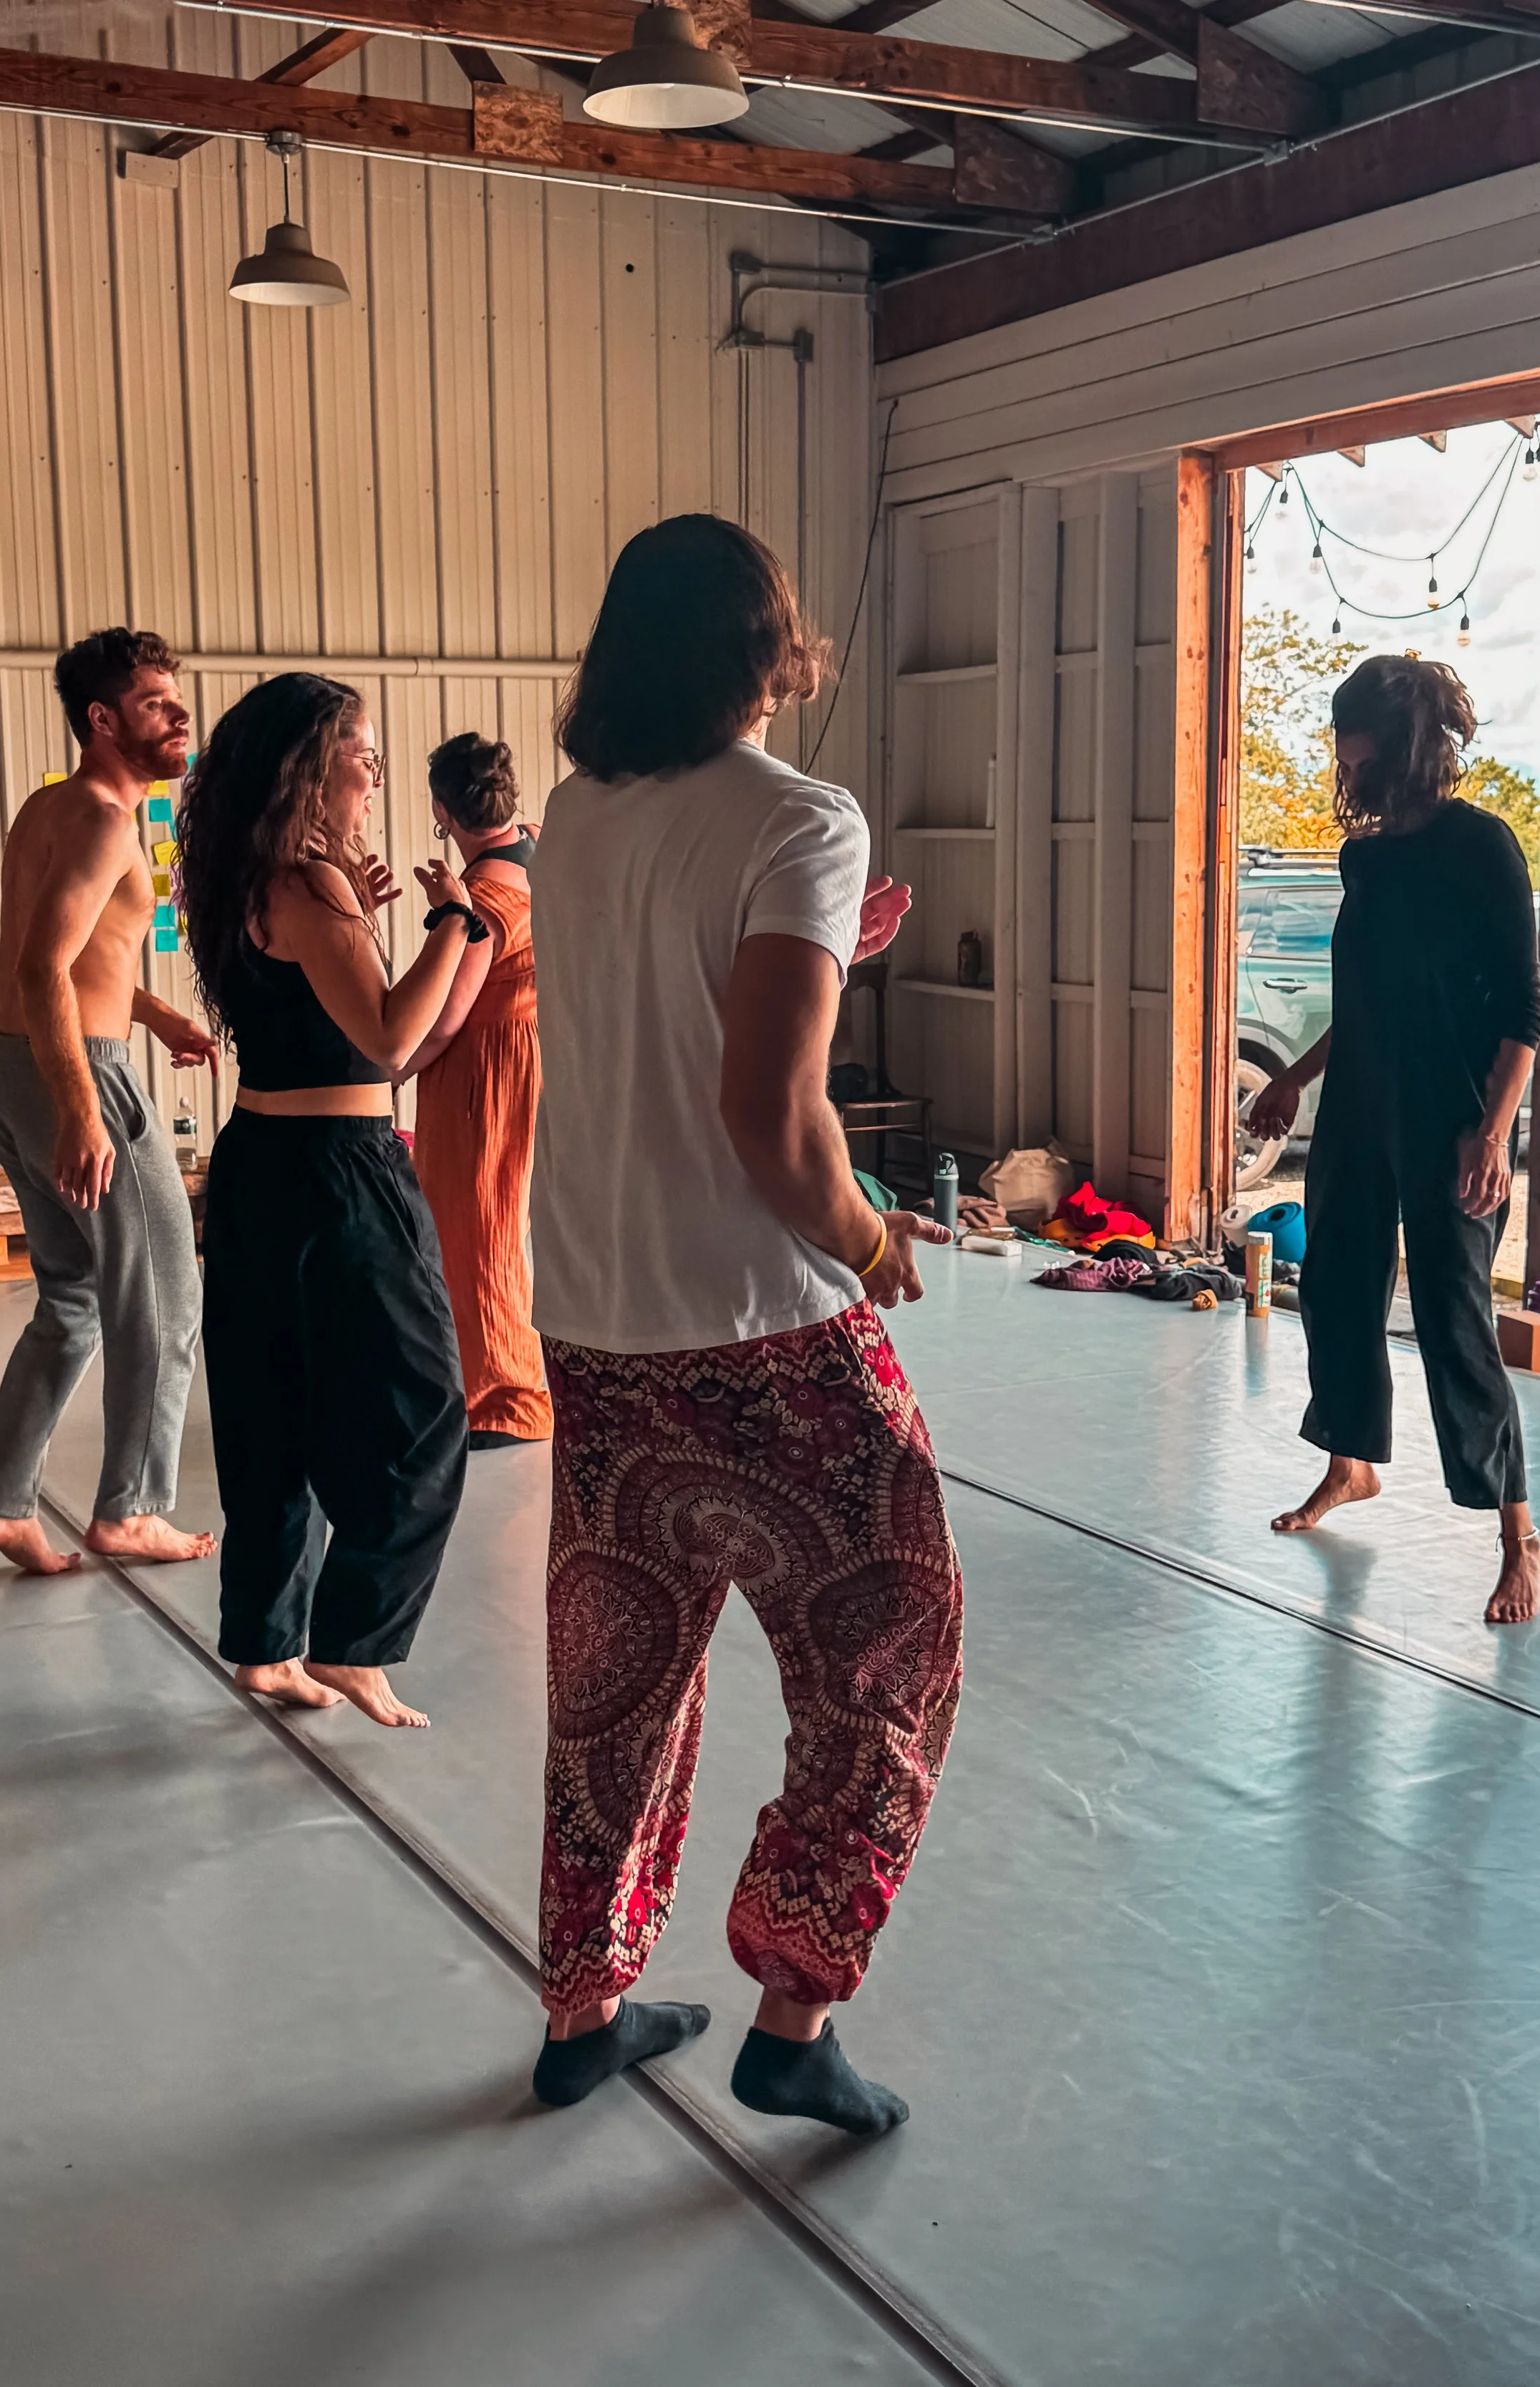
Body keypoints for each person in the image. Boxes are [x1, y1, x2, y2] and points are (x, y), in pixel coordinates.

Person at [526, 514, 962, 2136]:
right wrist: (870, 1233)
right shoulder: (804, 817)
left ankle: (585, 2003)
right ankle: (794, 2011)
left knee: (618, 1677)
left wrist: (823, 948)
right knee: (891, 1659)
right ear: (765, 647)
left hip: (597, 1317)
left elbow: (658, 986)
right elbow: (773, 1121)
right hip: (768, 1332)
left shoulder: (570, 819)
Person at [176, 674, 473, 1728]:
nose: (377, 769)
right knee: (428, 1407)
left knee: (273, 1410)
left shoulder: (252, 878)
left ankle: (265, 1646)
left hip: (259, 1163)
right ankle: (355, 1639)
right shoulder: (311, 885)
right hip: (341, 1165)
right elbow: (392, 1042)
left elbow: (323, 1006)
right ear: (314, 762)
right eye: (363, 749)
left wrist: (366, 916)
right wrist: (452, 920)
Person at [1247, 655, 1540, 1627]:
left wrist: (1493, 1135)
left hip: (1451, 1118)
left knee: (1457, 1319)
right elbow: (1366, 1001)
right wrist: (1293, 1079)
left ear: (1407, 742)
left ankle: (1519, 1535)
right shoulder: (1367, 858)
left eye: (1357, 736)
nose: (1348, 757)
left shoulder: (1483, 848)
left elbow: (1524, 1011)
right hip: (1360, 1111)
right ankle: (1350, 1466)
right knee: (1336, 1289)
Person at [0, 628, 216, 1577]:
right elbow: (43, 966)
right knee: (164, 1287)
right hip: (72, 1070)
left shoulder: (56, 807)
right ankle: (134, 1507)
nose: (179, 715)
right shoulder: (109, 821)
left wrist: (151, 1012)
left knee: (72, 1299)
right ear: (104, 720)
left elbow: (68, 958)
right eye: (157, 702)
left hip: (8, 1065)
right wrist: (83, 1109)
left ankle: (2, 1500)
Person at [401, 732, 553, 1451]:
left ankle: (502, 1400)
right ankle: (487, 1382)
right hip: (534, 1056)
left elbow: (443, 1019)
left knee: (477, 1229)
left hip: (482, 1075)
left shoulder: (483, 900)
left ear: (443, 811)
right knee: (500, 1226)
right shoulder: (541, 848)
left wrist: (388, 1066)